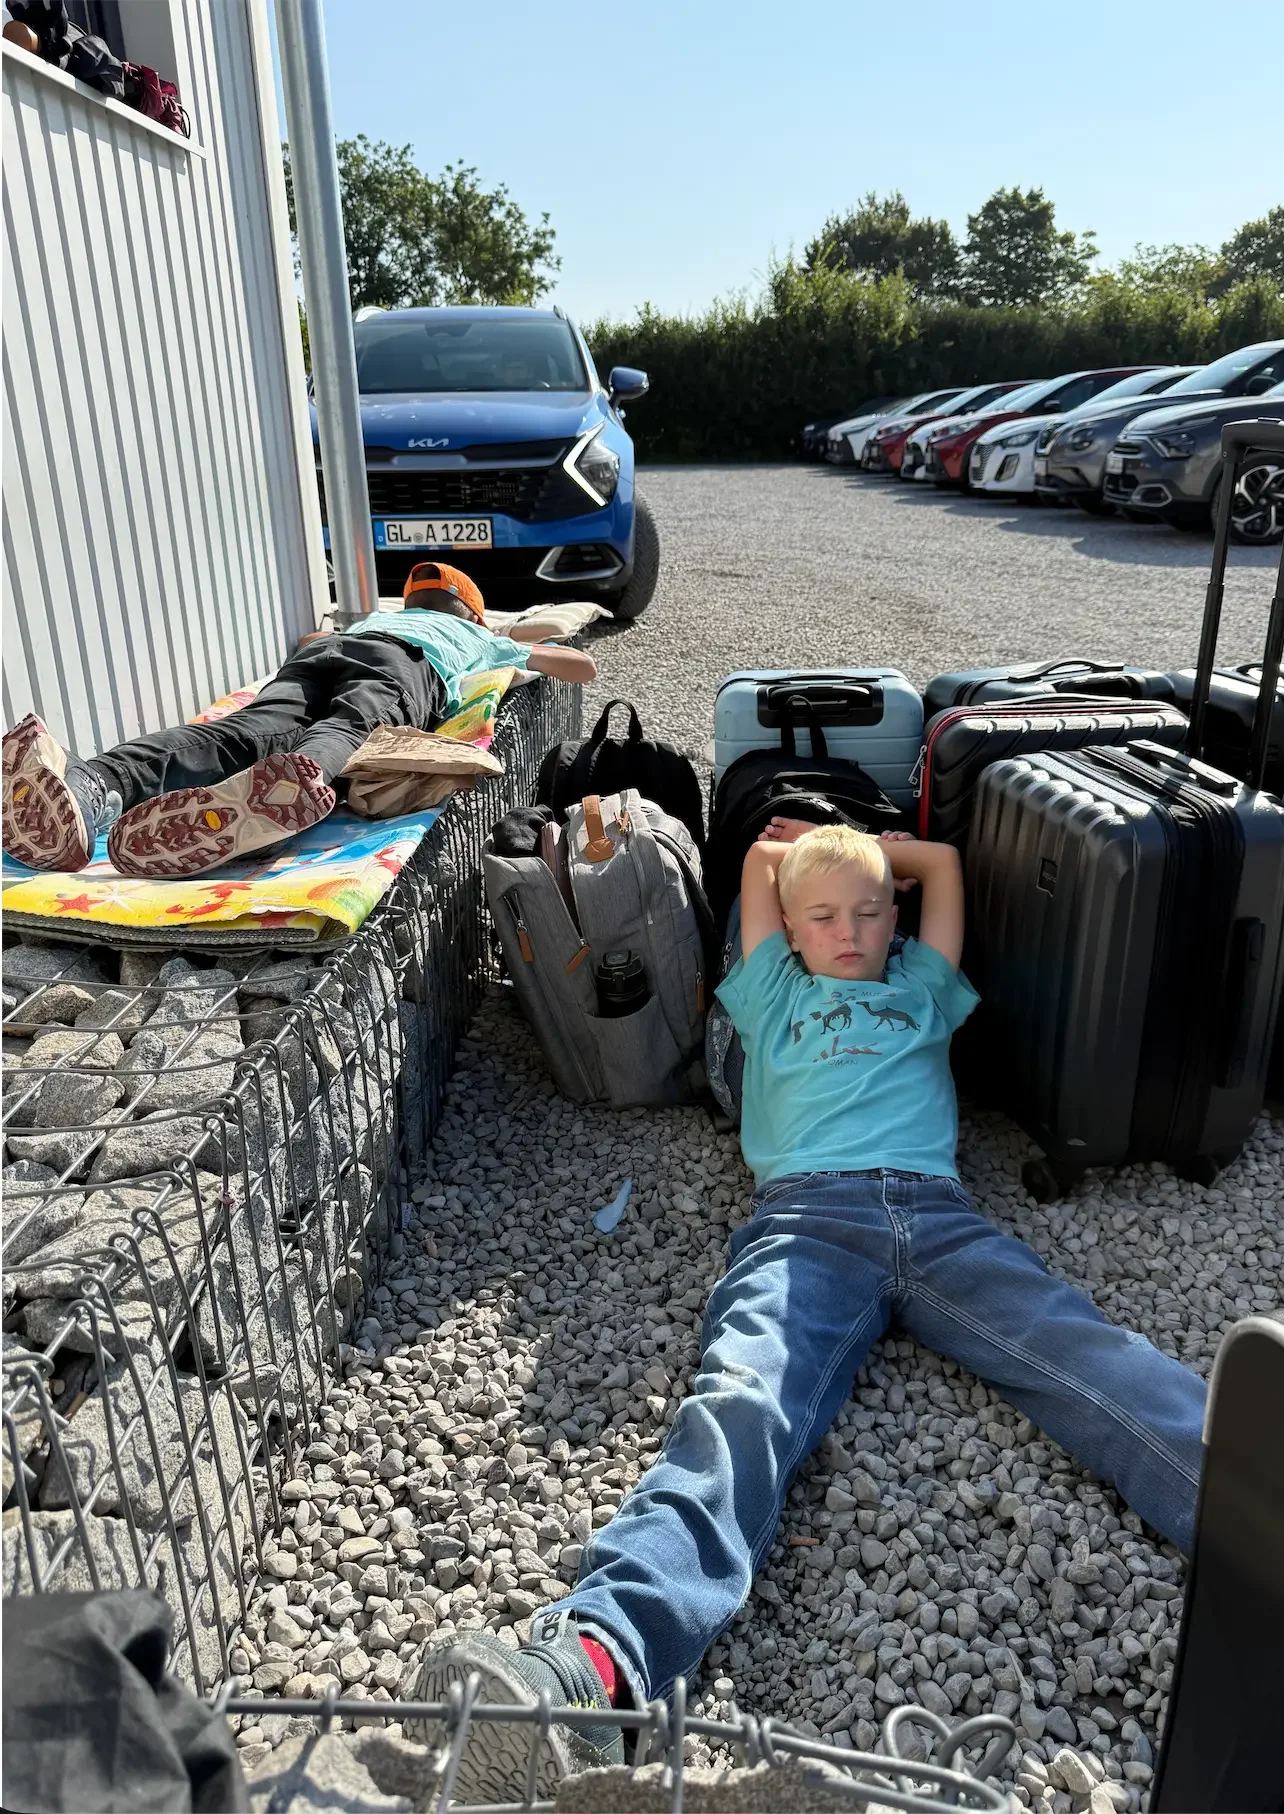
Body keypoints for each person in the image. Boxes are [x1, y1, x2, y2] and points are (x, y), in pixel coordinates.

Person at [402, 818, 1208, 1795]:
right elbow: (755, 868)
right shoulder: (773, 984)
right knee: (741, 1401)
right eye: (824, 915)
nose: (851, 929)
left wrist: (867, 848)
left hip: (937, 1215)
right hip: (808, 1220)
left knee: (1083, 1350)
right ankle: (596, 1665)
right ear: (787, 926)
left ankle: (1278, 1511)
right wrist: (798, 855)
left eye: (870, 912)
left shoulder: (917, 982)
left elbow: (940, 865)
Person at [1, 564, 596, 879]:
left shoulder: (365, 617)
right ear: (469, 609)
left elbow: (310, 637)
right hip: (403, 666)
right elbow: (581, 667)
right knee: (347, 729)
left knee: (232, 734)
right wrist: (504, 639)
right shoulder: (474, 633)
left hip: (319, 656)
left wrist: (342, 633)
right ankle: (281, 797)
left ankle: (88, 786)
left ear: (412, 598)